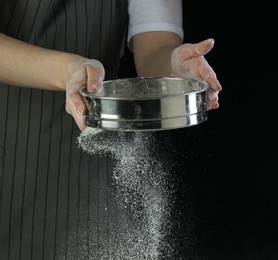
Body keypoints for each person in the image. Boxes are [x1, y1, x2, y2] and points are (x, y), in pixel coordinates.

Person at [0, 0, 222, 259]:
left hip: (93, 160)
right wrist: (69, 70)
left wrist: (172, 69)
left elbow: (155, 47)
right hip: (10, 151)